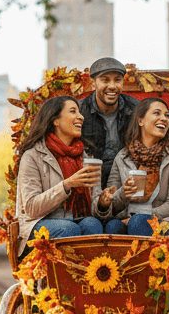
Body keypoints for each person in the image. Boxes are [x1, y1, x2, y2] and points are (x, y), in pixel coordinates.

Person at [79, 57, 169, 188]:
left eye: (117, 80)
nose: (112, 86)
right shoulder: (79, 111)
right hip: (90, 185)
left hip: (129, 183)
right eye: (105, 80)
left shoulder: (135, 109)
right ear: (93, 83)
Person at [16, 96, 114, 242]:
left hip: (75, 219)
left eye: (79, 112)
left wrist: (102, 204)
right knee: (69, 229)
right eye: (73, 111)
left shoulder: (86, 156)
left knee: (93, 224)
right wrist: (66, 185)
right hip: (36, 224)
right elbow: (31, 208)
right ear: (55, 120)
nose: (80, 117)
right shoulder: (33, 156)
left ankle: (87, 265)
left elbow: (95, 209)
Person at [96, 97, 169, 236]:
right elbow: (112, 204)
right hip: (127, 220)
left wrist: (138, 217)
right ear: (140, 121)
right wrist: (123, 194)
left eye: (167, 115)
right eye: (157, 113)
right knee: (112, 226)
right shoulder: (122, 156)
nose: (164, 118)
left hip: (163, 223)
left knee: (139, 222)